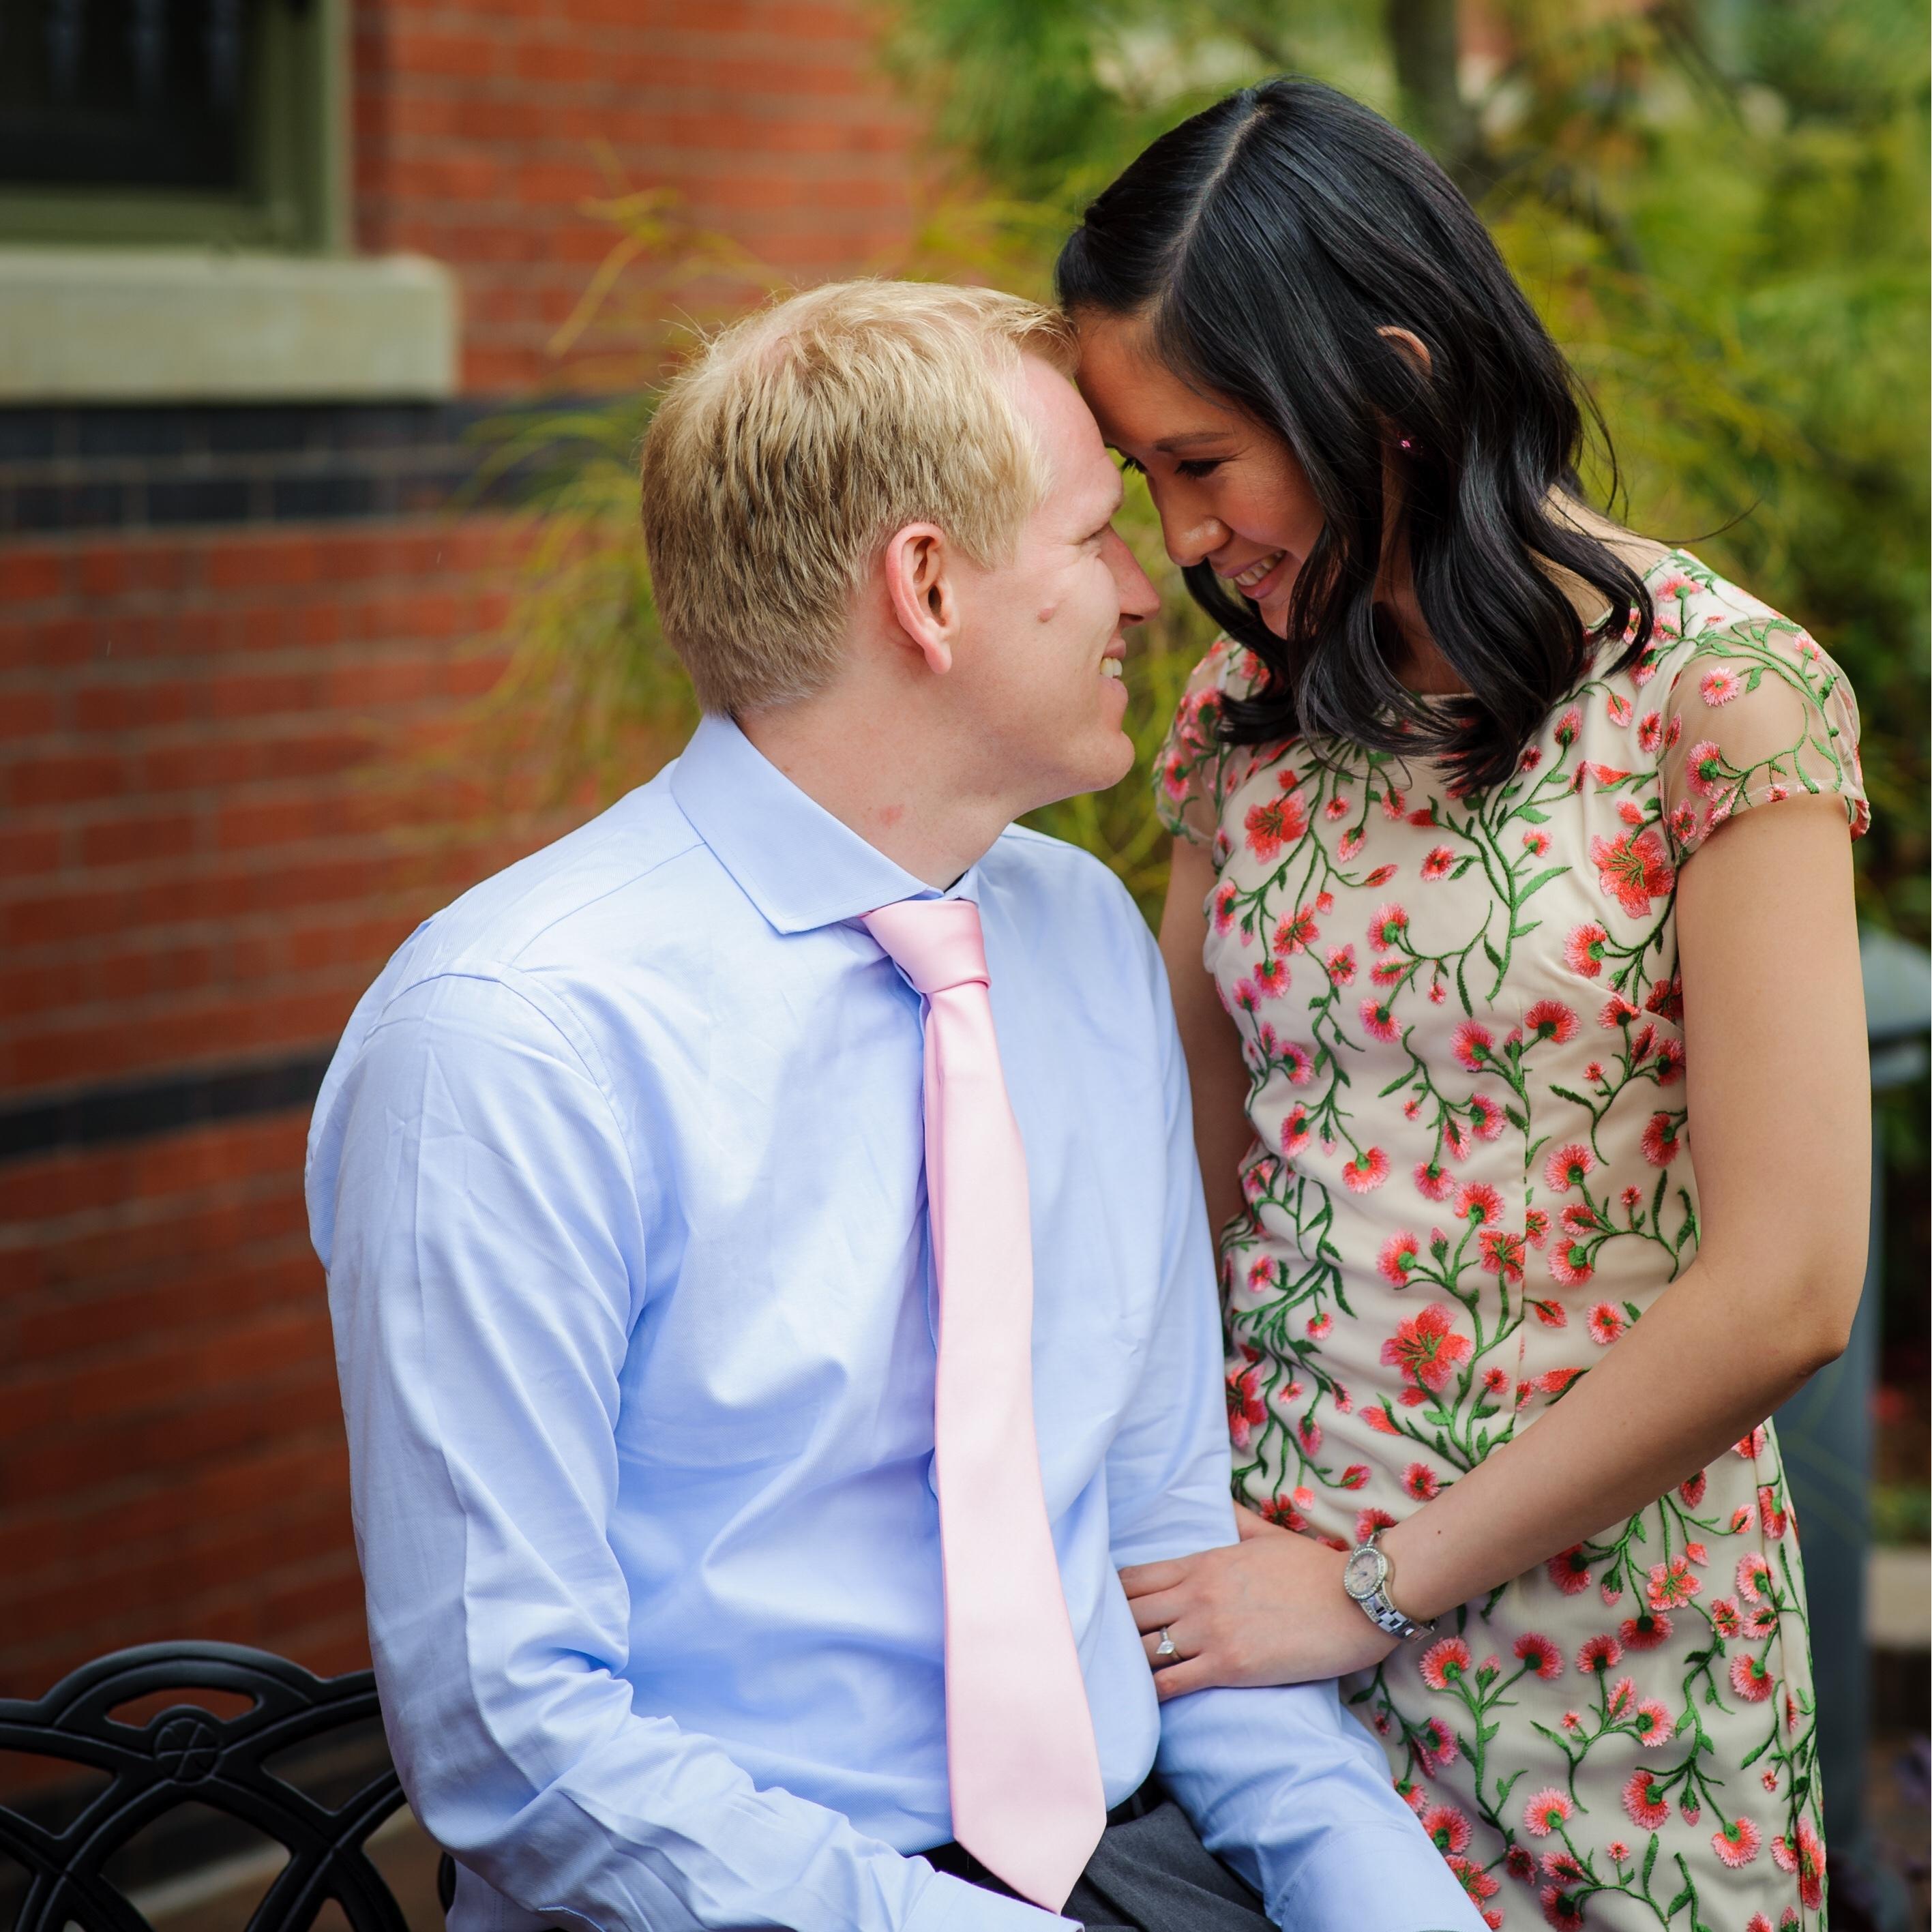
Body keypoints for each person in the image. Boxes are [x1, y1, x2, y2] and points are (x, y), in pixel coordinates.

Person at [308, 279, 1483, 1932]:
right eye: (1092, 536)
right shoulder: (510, 1043)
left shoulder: (1078, 940)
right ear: (926, 588)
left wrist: (1389, 1901)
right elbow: (518, 1740)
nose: (1149, 590)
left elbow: (1159, 1559)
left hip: (1136, 1857)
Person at [1056, 80, 1869, 1932]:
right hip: (1258, 1661)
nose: (1181, 540)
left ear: (1393, 394)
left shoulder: (1717, 701)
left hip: (1602, 1680)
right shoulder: (1237, 721)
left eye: (1202, 462)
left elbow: (1789, 1284)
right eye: (1142, 479)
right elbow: (1183, 1190)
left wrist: (1374, 1585)